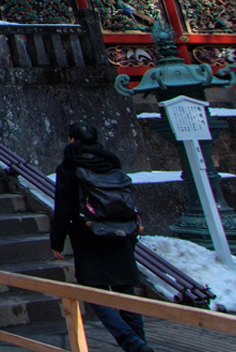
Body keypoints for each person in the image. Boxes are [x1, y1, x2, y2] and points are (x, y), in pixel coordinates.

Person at [50, 122, 153, 352]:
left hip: (89, 234)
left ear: (71, 140)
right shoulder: (110, 161)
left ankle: (132, 343)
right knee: (126, 293)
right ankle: (140, 343)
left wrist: (57, 241)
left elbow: (63, 208)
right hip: (121, 231)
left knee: (94, 293)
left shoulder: (69, 166)